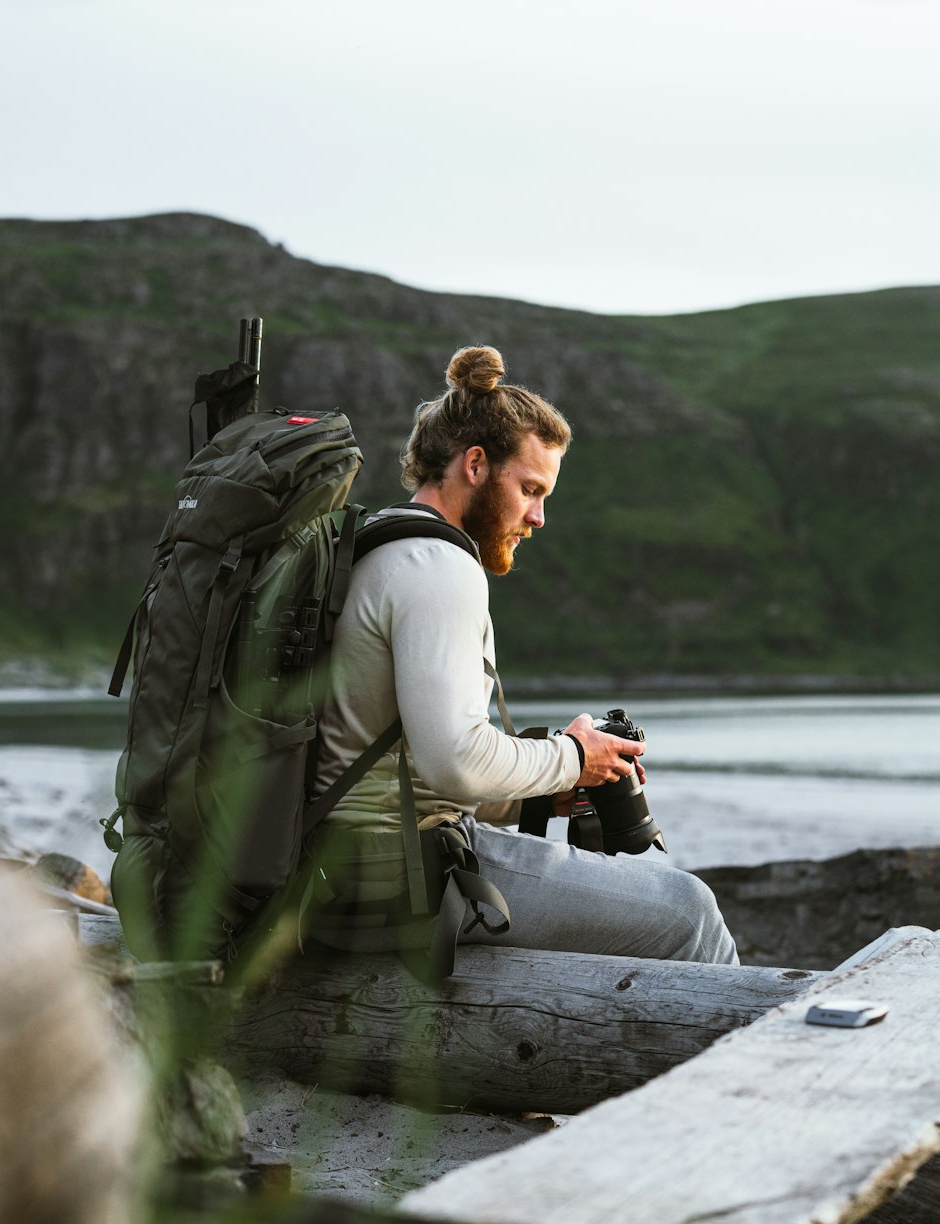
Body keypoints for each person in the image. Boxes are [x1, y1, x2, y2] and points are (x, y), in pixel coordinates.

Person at [313, 345, 738, 966]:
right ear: (477, 465)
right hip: (390, 876)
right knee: (688, 912)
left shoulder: (379, 548)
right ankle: (756, 1066)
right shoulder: (439, 569)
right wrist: (571, 756)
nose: (538, 517)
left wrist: (541, 793)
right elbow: (455, 763)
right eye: (531, 489)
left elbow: (399, 769)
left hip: (346, 862)